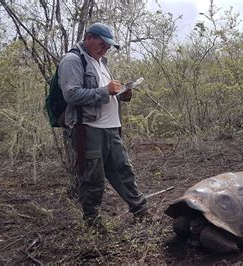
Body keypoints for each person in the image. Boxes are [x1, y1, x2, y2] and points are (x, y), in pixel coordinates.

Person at [58, 22, 148, 231]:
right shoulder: (72, 60)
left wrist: (123, 94)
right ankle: (93, 224)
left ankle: (141, 211)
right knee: (92, 177)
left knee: (123, 170)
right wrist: (105, 91)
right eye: (102, 44)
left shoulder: (101, 62)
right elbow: (71, 94)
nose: (105, 48)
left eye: (108, 46)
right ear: (88, 38)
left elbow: (105, 92)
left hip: (111, 127)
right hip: (88, 128)